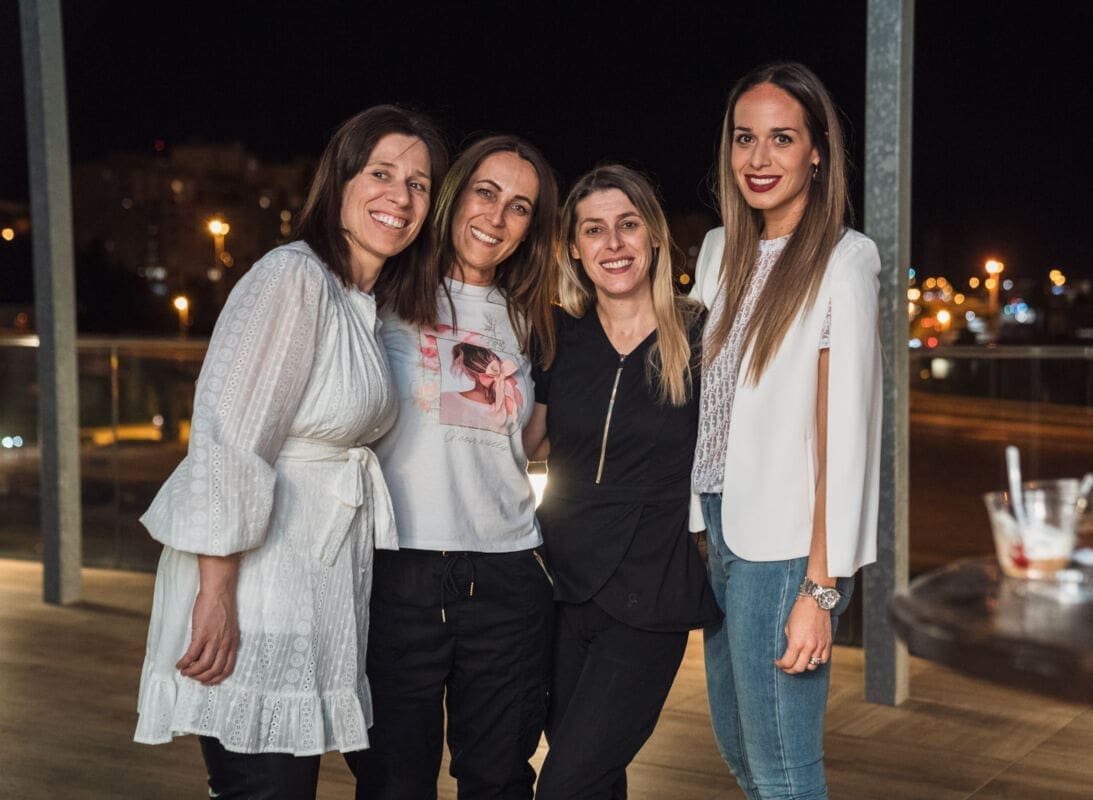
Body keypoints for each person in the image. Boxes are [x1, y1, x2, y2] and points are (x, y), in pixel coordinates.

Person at [133, 104, 448, 798]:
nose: (400, 197)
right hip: (258, 585)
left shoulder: (359, 301)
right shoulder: (293, 277)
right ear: (340, 181)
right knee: (264, 785)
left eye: (419, 184)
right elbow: (228, 438)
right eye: (381, 174)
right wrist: (217, 592)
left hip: (310, 583)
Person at [691, 62, 883, 800]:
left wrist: (820, 589)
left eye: (781, 138)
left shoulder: (844, 259)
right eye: (745, 138)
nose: (759, 158)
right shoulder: (718, 251)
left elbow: (845, 436)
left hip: (785, 548)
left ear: (817, 151)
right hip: (714, 530)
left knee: (783, 772)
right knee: (740, 754)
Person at [353, 135, 559, 799]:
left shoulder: (535, 321)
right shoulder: (382, 294)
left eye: (520, 207)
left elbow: (534, 441)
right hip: (399, 572)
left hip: (507, 576)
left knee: (499, 781)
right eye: (485, 192)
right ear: (453, 195)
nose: (497, 217)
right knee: (393, 782)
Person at [522, 164, 722, 800]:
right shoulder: (557, 337)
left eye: (628, 225)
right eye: (594, 229)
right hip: (558, 585)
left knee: (566, 784)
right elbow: (526, 443)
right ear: (574, 248)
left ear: (654, 236)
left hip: (651, 592)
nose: (613, 243)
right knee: (594, 779)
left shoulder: (699, 336)